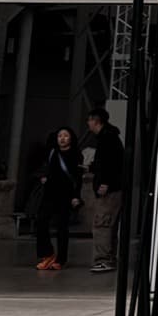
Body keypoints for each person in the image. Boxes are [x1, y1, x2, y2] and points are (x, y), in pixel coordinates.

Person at [84, 107, 128, 274]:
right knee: (109, 224)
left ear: (96, 121)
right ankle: (109, 258)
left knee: (102, 224)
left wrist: (105, 183)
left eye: (89, 120)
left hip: (109, 189)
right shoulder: (111, 137)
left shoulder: (106, 138)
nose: (88, 123)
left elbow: (110, 164)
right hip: (114, 187)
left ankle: (103, 259)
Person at [33, 127, 83, 273]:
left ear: (71, 138)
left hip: (65, 195)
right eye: (60, 135)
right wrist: (43, 177)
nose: (62, 138)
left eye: (66, 135)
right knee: (41, 221)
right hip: (50, 193)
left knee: (62, 227)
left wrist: (76, 196)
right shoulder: (52, 153)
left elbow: (77, 178)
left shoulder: (76, 155)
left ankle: (61, 259)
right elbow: (45, 169)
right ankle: (47, 254)